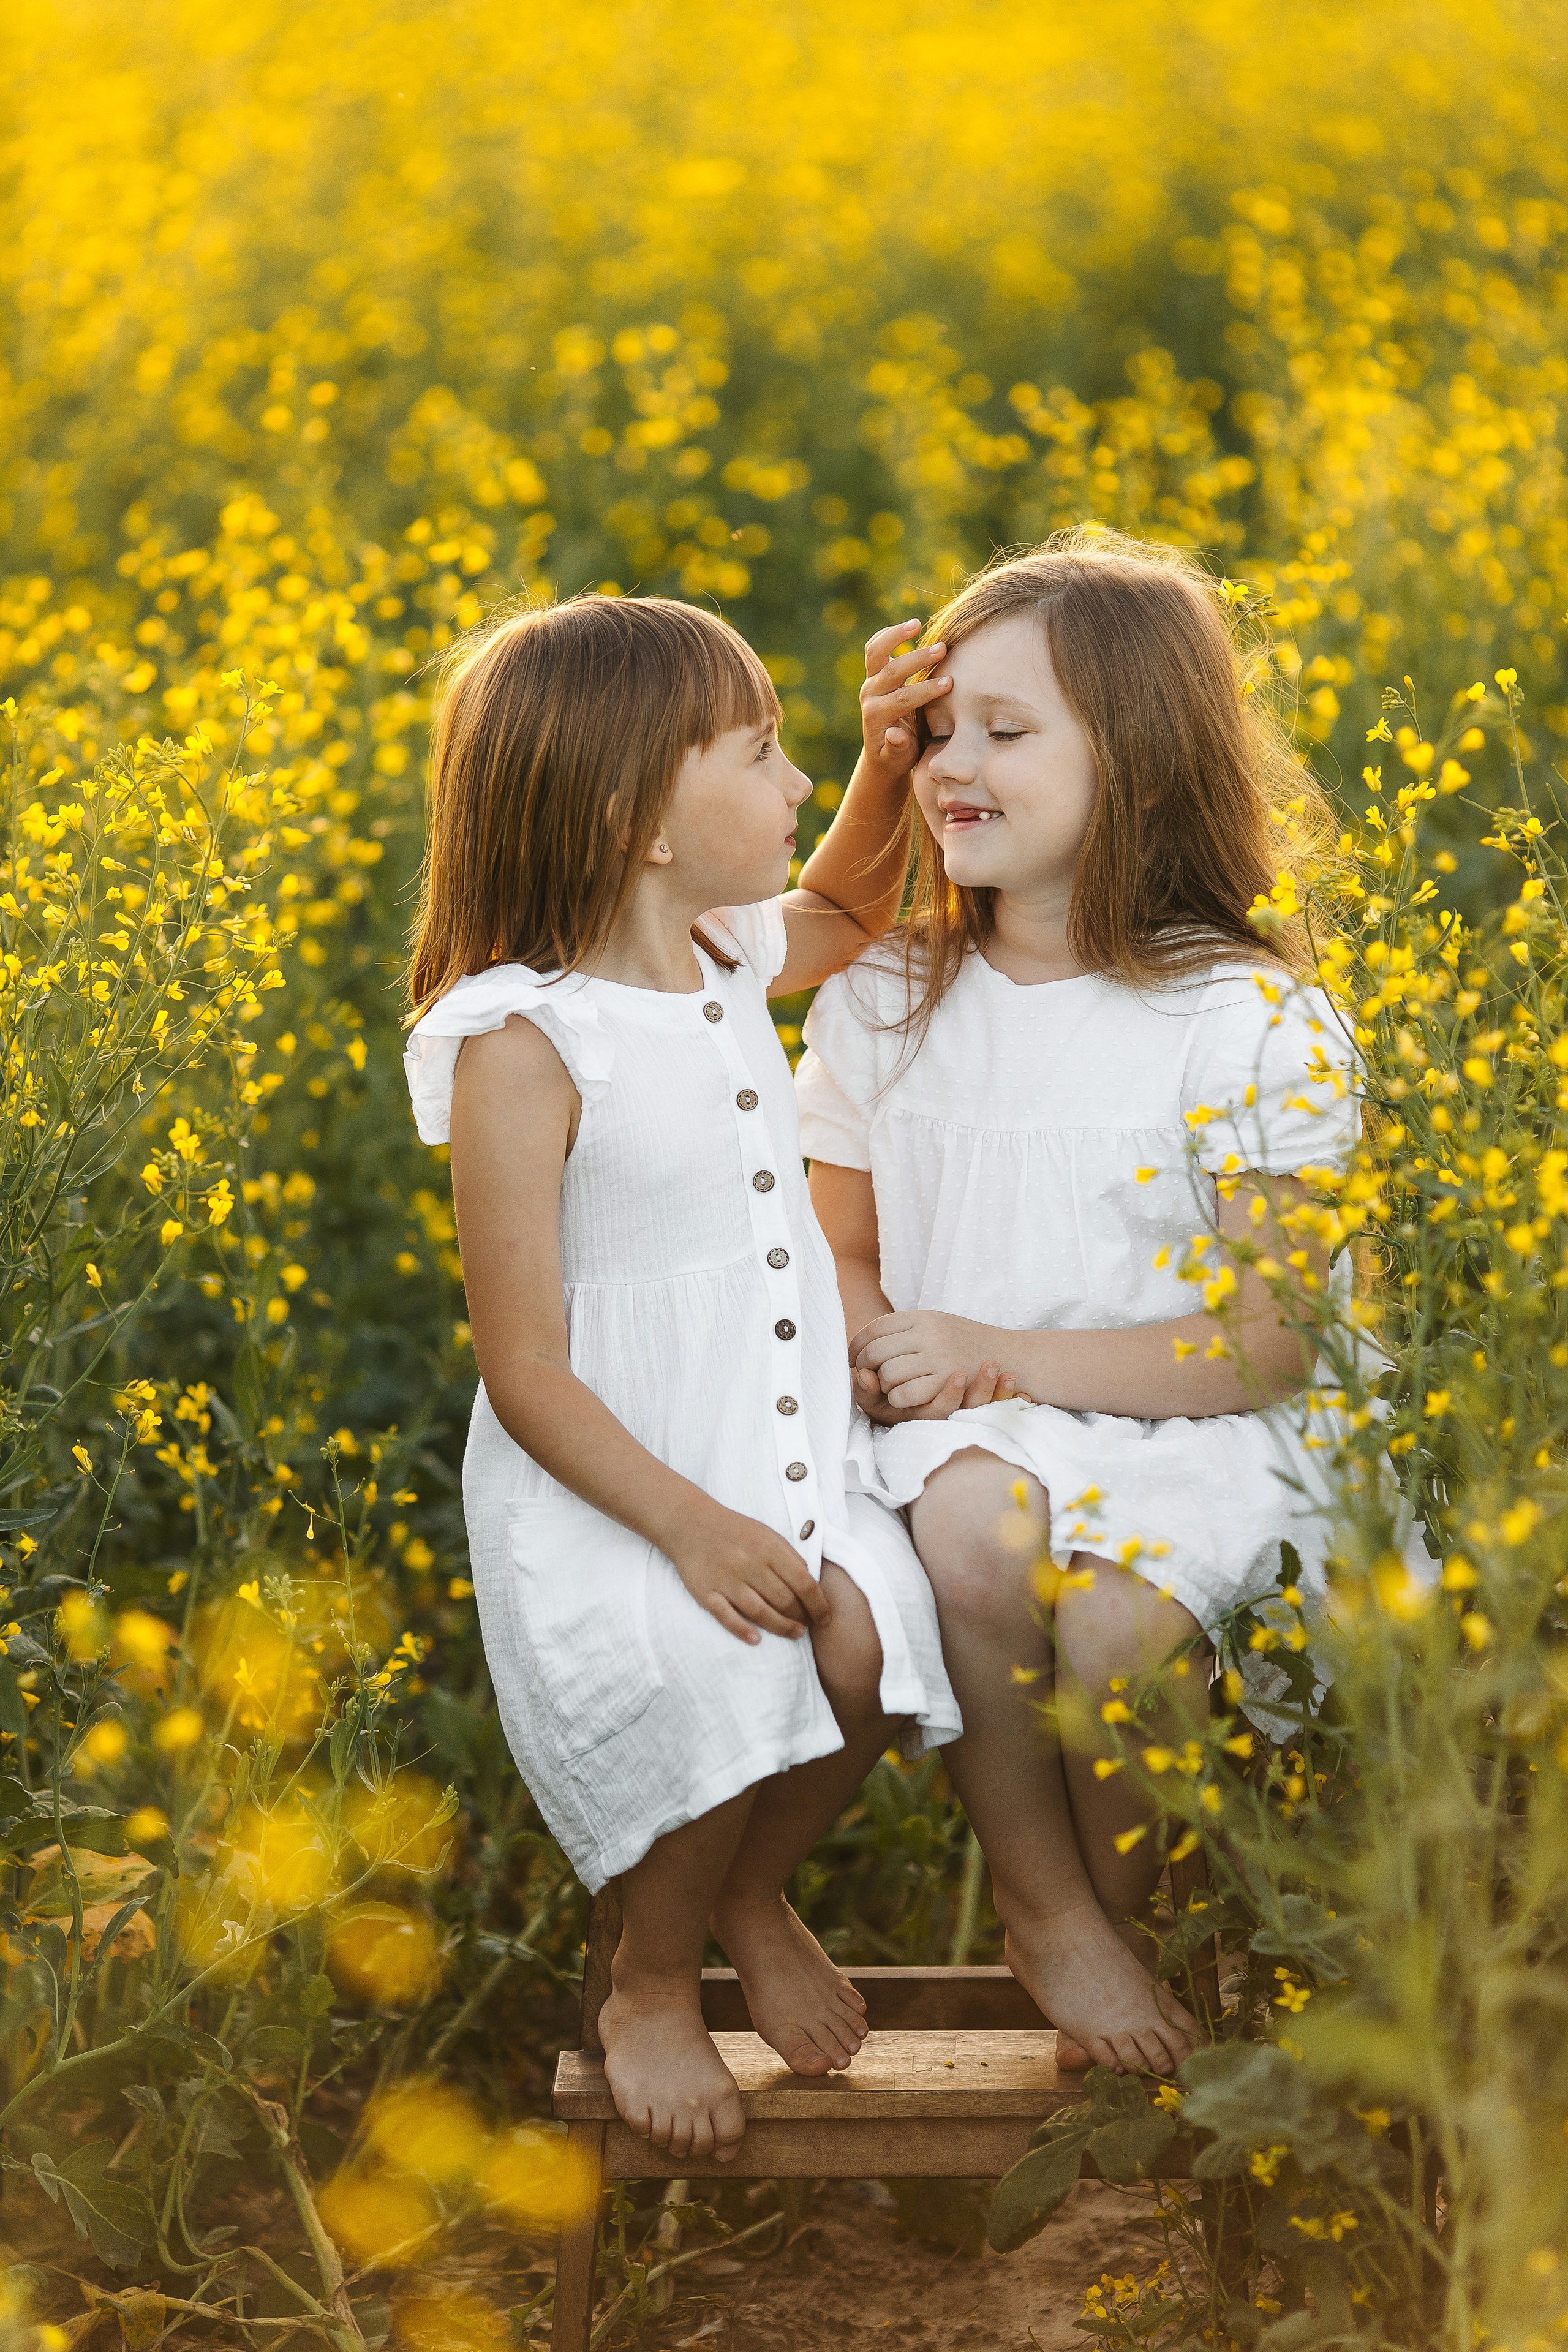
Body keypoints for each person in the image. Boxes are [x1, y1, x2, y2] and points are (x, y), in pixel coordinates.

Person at [798, 526, 1428, 2078]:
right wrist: (882, 1344)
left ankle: (1122, 1919)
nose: (955, 767)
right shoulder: (887, 993)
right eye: (938, 731)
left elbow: (1270, 1342)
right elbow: (836, 1233)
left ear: (1136, 765)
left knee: (1133, 1621)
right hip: (968, 1423)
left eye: (1008, 734)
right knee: (971, 1535)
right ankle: (1045, 1912)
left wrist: (999, 1350)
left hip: (1204, 1420)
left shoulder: (1246, 1016)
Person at [401, 594, 964, 2166]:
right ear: (631, 817)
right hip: (615, 1475)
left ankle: (741, 1890)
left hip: (776, 1443)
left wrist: (879, 757)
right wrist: (691, 1528)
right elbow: (521, 1369)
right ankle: (651, 1980)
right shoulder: (523, 1038)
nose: (792, 792)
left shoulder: (723, 953)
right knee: (721, 1666)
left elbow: (844, 906)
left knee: (870, 1652)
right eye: (762, 754)